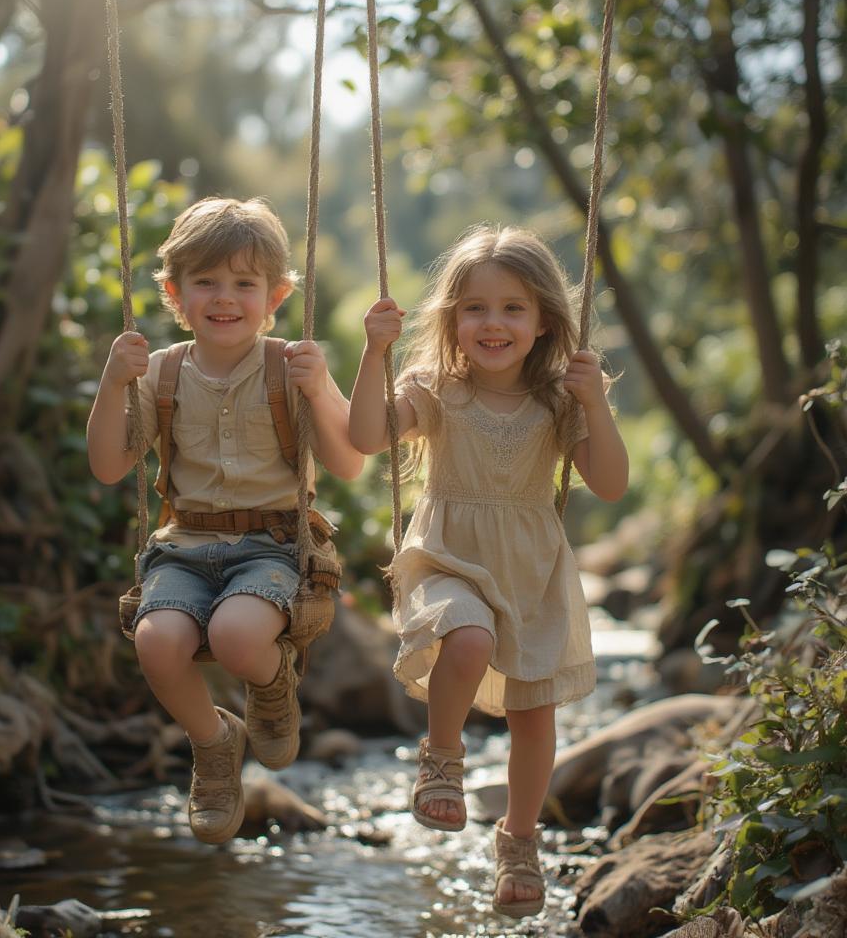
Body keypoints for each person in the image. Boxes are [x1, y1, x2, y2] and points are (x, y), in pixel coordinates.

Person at [348, 225, 628, 919]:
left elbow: (612, 484)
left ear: (541, 323)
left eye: (513, 308)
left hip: (531, 570)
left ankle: (519, 843)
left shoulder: (561, 401)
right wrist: (373, 352)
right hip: (447, 558)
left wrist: (595, 403)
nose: (493, 322)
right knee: (466, 638)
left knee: (535, 717)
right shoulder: (436, 390)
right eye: (475, 307)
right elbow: (363, 437)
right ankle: (442, 758)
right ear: (451, 319)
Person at [88, 197, 363, 845]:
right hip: (184, 547)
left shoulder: (288, 368)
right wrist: (111, 382)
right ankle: (214, 744)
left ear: (276, 295)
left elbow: (349, 463)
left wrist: (322, 388)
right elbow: (108, 465)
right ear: (175, 294)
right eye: (206, 282)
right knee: (156, 642)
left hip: (270, 546)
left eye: (245, 283)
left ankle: (271, 691)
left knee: (240, 639)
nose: (225, 297)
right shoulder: (160, 374)